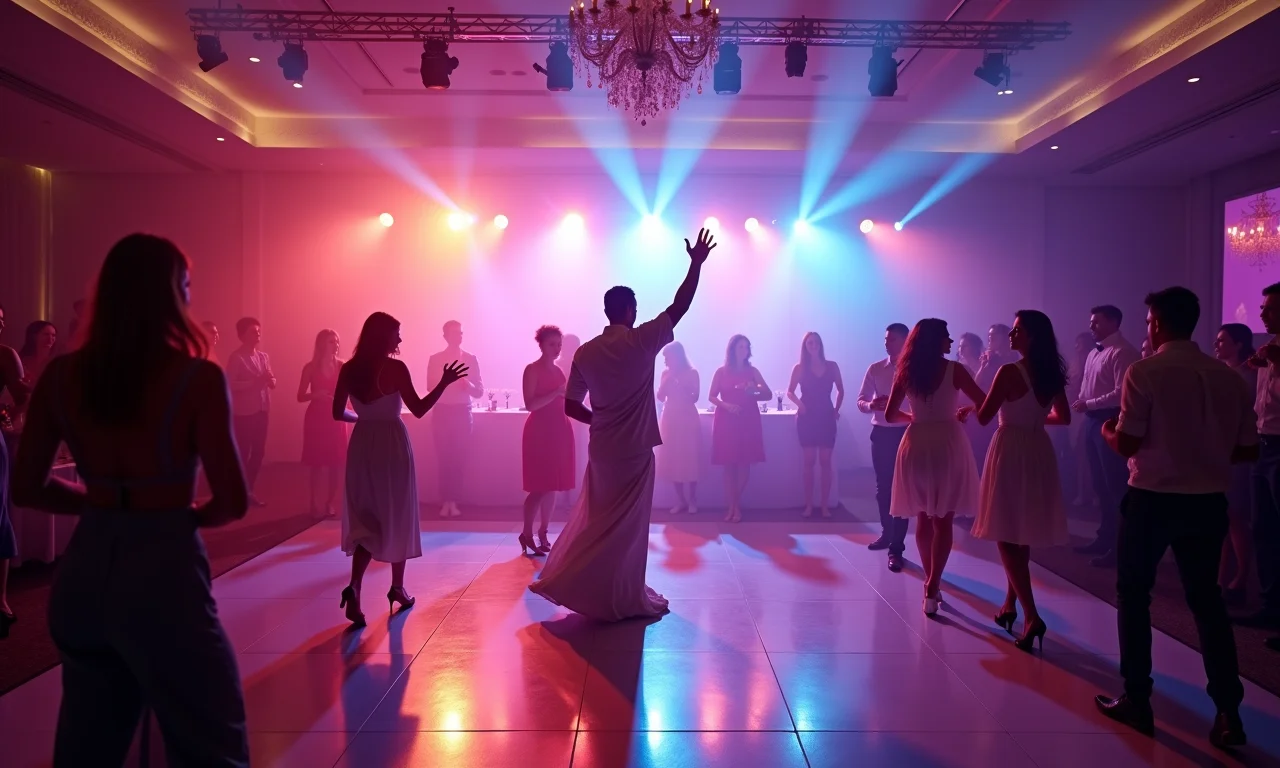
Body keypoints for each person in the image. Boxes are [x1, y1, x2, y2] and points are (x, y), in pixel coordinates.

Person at [11, 234, 250, 765]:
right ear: (171, 294)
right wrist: (178, 512)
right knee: (213, 740)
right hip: (163, 569)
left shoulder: (63, 376)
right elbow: (232, 500)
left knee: (88, 747)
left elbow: (26, 487)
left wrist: (103, 501)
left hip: (85, 571)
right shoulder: (196, 378)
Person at [1094, 287, 1253, 751]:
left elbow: (1127, 442)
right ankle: (1228, 712)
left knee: (1134, 596)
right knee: (1207, 602)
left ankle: (1137, 699)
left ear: (1158, 324)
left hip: (1152, 498)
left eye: (1148, 322)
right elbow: (1246, 450)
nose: (1147, 328)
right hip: (1207, 500)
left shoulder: (1145, 371)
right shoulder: (1228, 378)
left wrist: (1107, 431)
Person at [529, 228, 715, 621]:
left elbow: (571, 406)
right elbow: (680, 305)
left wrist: (599, 419)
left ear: (607, 312)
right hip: (636, 450)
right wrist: (696, 264)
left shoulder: (587, 352)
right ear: (629, 311)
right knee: (630, 527)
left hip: (603, 449)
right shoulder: (642, 340)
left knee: (599, 520)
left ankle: (592, 586)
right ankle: (621, 591)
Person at [332, 313, 467, 626]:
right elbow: (418, 409)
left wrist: (363, 419)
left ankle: (355, 586)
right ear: (384, 337)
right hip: (391, 443)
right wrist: (444, 384)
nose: (400, 339)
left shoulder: (349, 369)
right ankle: (397, 588)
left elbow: (338, 412)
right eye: (396, 333)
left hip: (362, 444)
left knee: (365, 516)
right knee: (398, 512)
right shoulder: (395, 368)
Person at [963, 311, 1070, 651]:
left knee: (1007, 532)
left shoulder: (1009, 371)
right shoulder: (1051, 372)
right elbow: (1063, 417)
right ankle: (1010, 604)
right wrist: (1032, 419)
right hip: (1037, 448)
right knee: (1020, 529)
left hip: (1010, 447)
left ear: (1031, 336)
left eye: (1017, 330)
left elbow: (984, 416)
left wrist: (973, 405)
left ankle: (1032, 615)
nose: (1011, 335)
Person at [885, 319, 984, 615]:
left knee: (923, 518)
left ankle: (930, 582)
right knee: (943, 519)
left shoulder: (906, 371)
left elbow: (890, 415)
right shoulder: (955, 370)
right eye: (946, 337)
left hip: (916, 444)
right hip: (947, 443)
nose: (951, 342)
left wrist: (914, 418)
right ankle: (932, 583)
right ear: (935, 341)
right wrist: (965, 410)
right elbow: (985, 402)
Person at [1073, 304, 1141, 567]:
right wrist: (1083, 402)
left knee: (1115, 484)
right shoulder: (1094, 352)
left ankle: (1120, 546)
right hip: (1092, 420)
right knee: (1099, 483)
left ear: (1114, 322)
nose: (1091, 326)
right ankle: (1105, 537)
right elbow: (1087, 386)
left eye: (1097, 322)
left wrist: (1088, 404)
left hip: (1109, 419)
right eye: (1091, 322)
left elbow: (1120, 393)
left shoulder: (1123, 352)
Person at [857, 323, 911, 572]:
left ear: (905, 341)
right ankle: (887, 534)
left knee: (902, 489)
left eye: (892, 339)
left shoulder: (914, 370)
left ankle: (896, 548)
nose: (886, 343)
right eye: (886, 339)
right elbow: (861, 400)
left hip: (906, 433)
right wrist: (872, 405)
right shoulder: (876, 368)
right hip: (881, 433)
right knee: (883, 488)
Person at [1244, 282, 1280, 638]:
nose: (1262, 313)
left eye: (1270, 308)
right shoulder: (1269, 347)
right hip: (1263, 444)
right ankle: (1271, 607)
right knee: (1263, 528)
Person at [520, 325, 575, 555]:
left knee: (552, 485)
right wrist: (556, 393)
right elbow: (531, 404)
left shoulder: (559, 371)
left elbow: (565, 399)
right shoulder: (532, 370)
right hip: (540, 432)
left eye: (559, 345)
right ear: (541, 345)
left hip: (559, 429)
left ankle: (543, 531)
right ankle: (527, 533)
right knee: (539, 486)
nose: (557, 349)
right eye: (552, 344)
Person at [1214, 323, 1257, 605]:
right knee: (1225, 518)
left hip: (1239, 450)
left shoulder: (1249, 374)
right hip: (1221, 450)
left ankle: (1241, 578)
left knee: (1236, 516)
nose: (1216, 345)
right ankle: (1223, 579)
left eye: (1222, 340)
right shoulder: (1224, 372)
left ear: (1239, 344)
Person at [709, 334, 770, 523]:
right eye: (740, 347)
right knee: (728, 464)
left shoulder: (753, 371)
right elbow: (712, 396)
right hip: (726, 420)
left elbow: (767, 394)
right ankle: (733, 506)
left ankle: (734, 505)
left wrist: (751, 389)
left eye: (746, 347)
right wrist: (727, 406)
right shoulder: (721, 372)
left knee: (744, 462)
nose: (744, 350)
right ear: (732, 349)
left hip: (747, 420)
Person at [427, 320, 484, 518]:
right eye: (454, 333)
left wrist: (467, 385)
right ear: (445, 336)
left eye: (460, 333)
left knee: (458, 458)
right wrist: (446, 383)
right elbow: (429, 387)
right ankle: (446, 500)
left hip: (462, 412)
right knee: (444, 457)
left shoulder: (470, 358)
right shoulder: (436, 359)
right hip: (442, 411)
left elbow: (479, 391)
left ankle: (454, 500)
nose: (458, 336)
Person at [788, 332, 844, 518]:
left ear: (821, 344)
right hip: (807, 417)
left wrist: (836, 409)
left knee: (826, 462)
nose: (813, 345)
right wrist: (800, 405)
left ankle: (825, 505)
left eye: (816, 342)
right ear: (805, 346)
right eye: (810, 343)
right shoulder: (799, 368)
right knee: (809, 462)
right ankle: (809, 505)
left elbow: (841, 390)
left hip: (826, 417)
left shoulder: (832, 366)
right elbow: (789, 392)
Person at [0, 304, 30, 638]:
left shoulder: (6, 354)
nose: (0, 326)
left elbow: (23, 397)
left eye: (1, 321)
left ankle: (1, 599)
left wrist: (6, 417)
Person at [298, 329, 348, 520]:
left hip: (336, 418)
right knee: (316, 462)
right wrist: (316, 395)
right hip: (316, 418)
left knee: (335, 462)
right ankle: (313, 502)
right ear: (321, 344)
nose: (335, 345)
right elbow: (300, 396)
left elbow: (349, 392)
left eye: (337, 341)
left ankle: (329, 502)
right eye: (331, 342)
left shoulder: (342, 366)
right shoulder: (310, 368)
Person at [226, 317, 274, 506]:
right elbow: (229, 384)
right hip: (244, 412)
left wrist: (271, 380)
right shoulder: (236, 357)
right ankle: (237, 491)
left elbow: (271, 379)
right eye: (253, 331)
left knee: (259, 452)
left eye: (259, 331)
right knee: (243, 452)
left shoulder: (263, 356)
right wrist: (254, 382)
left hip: (262, 409)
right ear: (242, 335)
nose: (258, 334)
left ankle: (248, 490)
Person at [656, 341, 701, 514]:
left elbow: (695, 397)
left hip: (688, 418)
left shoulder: (692, 372)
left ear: (677, 356)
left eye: (667, 357)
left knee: (690, 457)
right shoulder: (665, 373)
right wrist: (666, 382)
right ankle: (681, 500)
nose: (666, 361)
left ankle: (693, 499)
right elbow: (660, 397)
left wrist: (683, 386)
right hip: (670, 418)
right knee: (673, 457)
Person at [1067, 331, 1096, 506]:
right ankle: (1082, 492)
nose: (1079, 347)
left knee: (1091, 455)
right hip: (1076, 413)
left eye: (1082, 344)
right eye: (1077, 344)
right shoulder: (1074, 366)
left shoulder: (1096, 363)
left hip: (1091, 412)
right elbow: (1069, 390)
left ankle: (1095, 493)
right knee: (1079, 454)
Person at [20, 320, 58, 387]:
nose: (50, 339)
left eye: (53, 335)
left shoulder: (57, 361)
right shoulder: (21, 361)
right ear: (34, 336)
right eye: (46, 334)